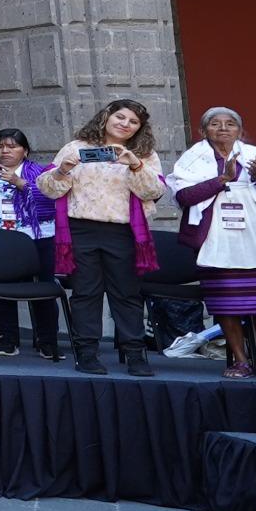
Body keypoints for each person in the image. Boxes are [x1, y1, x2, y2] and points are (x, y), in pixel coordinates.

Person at [40, 99, 168, 376]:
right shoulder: (76, 147)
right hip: (80, 228)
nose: (125, 124)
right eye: (120, 117)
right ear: (106, 117)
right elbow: (49, 190)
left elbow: (153, 191)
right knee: (86, 292)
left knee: (126, 294)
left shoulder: (144, 154)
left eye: (133, 122)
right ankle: (86, 353)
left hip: (123, 231)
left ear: (139, 129)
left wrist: (134, 164)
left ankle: (135, 354)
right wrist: (62, 170)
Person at [169, 106, 256, 378]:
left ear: (240, 131)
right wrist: (222, 180)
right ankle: (240, 361)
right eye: (214, 123)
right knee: (227, 299)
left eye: (230, 123)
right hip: (217, 239)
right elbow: (184, 197)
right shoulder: (193, 159)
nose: (223, 128)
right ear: (203, 131)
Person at [0, 129, 61, 360]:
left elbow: (51, 198)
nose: (5, 151)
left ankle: (47, 341)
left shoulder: (40, 171)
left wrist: (20, 183)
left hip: (36, 237)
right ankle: (8, 340)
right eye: (0, 146)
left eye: (12, 146)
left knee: (42, 289)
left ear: (24, 151)